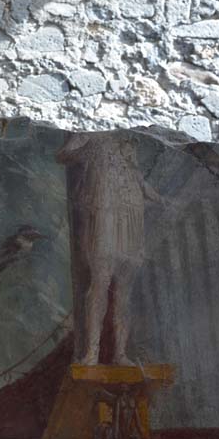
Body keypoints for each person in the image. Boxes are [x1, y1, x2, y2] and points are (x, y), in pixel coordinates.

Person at [57, 132, 163, 365]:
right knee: (100, 280)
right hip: (102, 201)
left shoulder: (128, 137)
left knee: (125, 287)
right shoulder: (92, 132)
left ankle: (121, 353)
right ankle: (91, 352)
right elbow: (63, 155)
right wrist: (89, 153)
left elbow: (136, 172)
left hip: (130, 206)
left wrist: (155, 196)